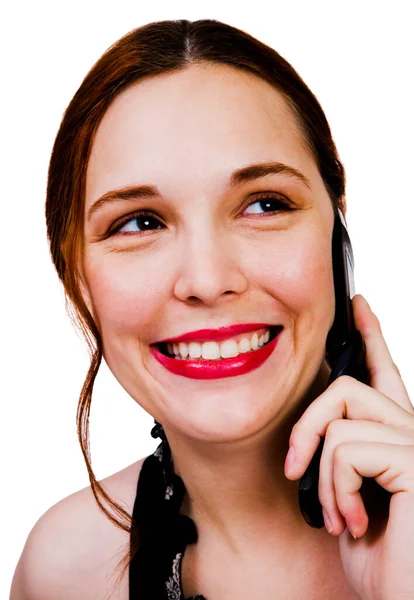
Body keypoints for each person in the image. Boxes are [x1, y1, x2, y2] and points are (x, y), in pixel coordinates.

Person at [10, 18, 414, 600]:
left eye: (265, 204)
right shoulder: (64, 569)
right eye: (139, 222)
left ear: (337, 231)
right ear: (77, 274)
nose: (206, 280)